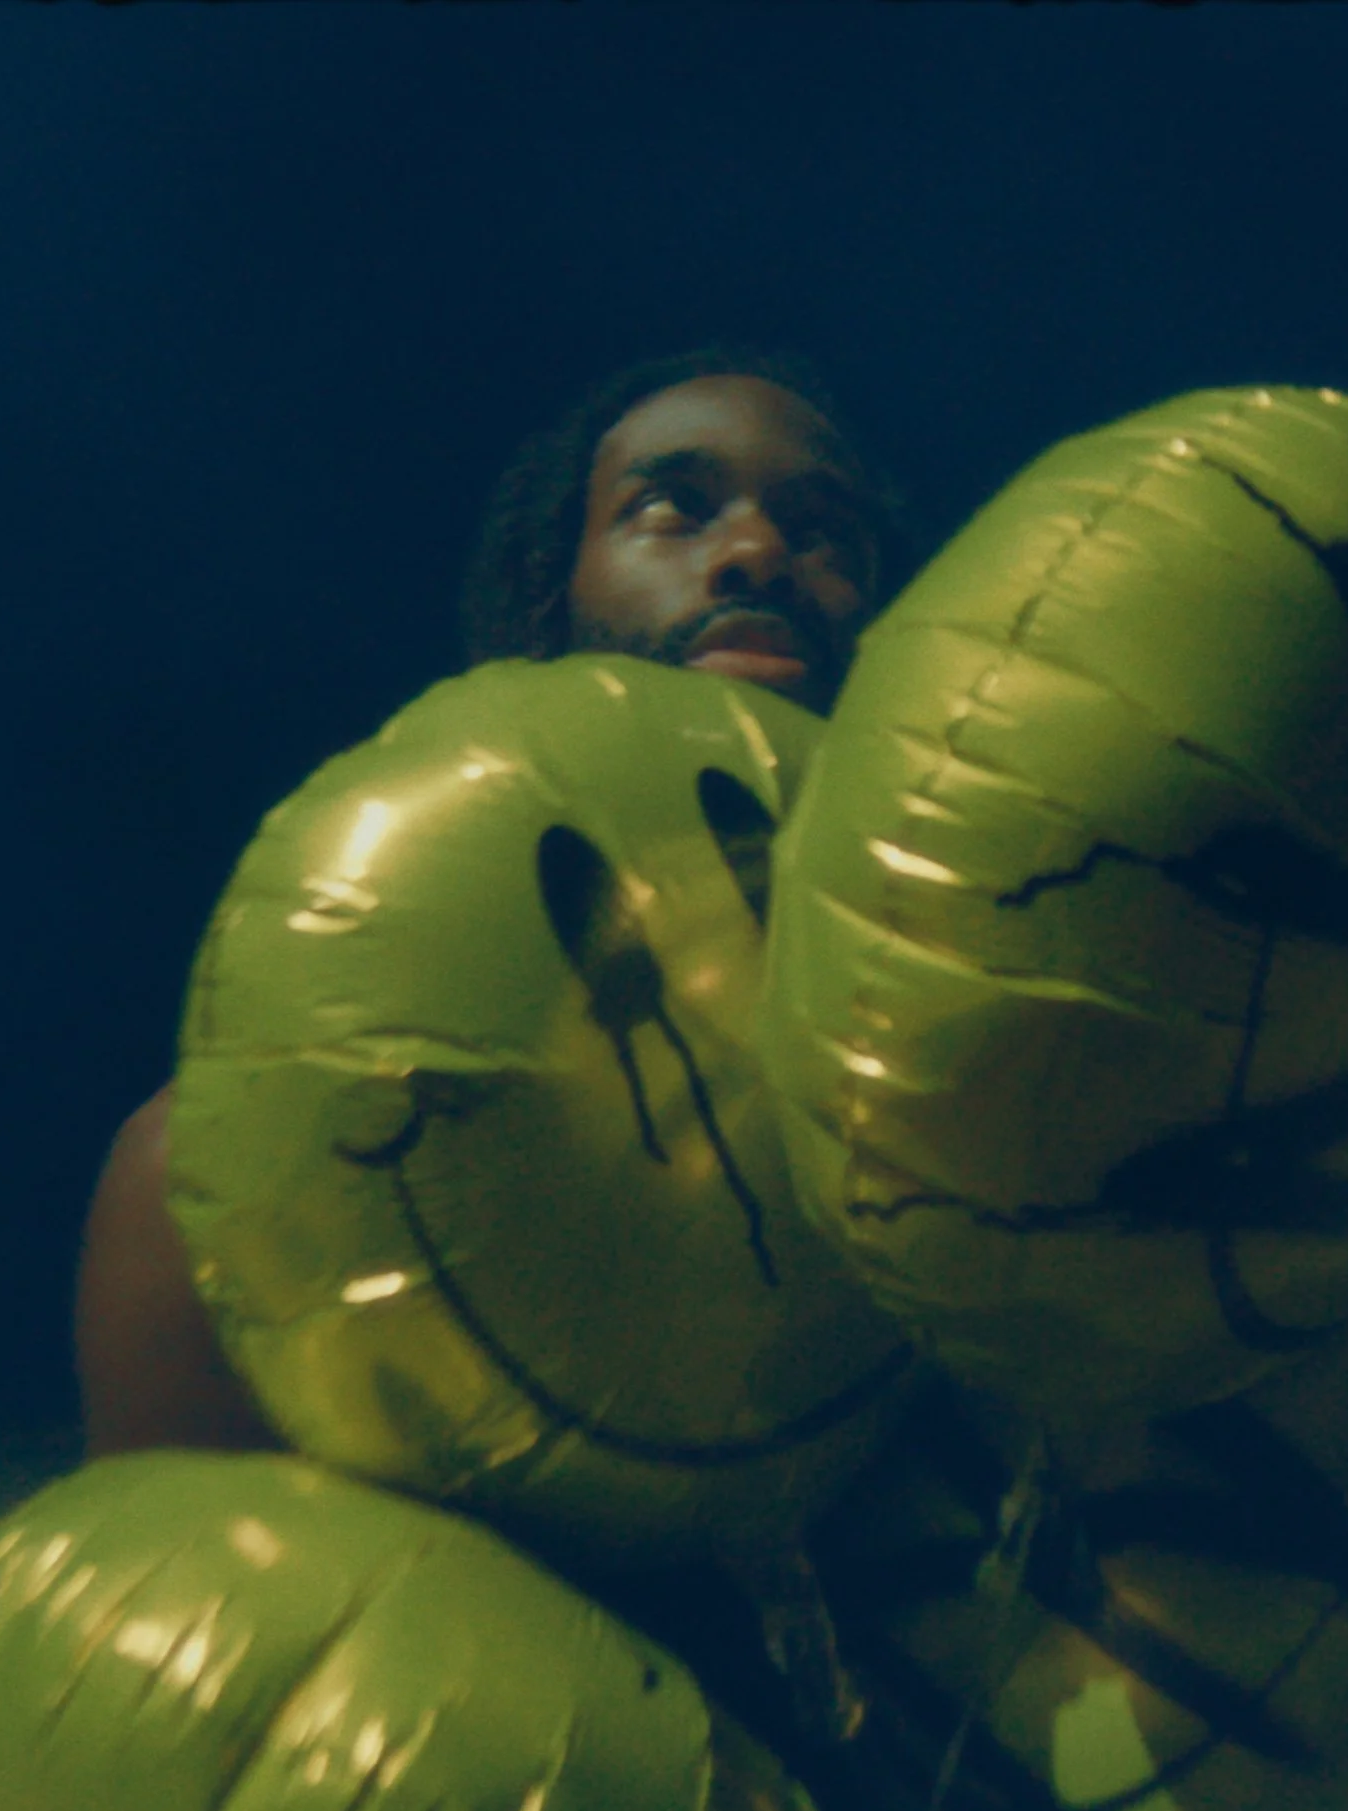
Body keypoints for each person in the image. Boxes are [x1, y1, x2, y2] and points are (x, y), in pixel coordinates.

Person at [73, 344, 912, 1461]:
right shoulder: (233, 1191)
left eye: (821, 529)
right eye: (673, 506)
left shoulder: (992, 1090)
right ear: (547, 593)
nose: (759, 551)